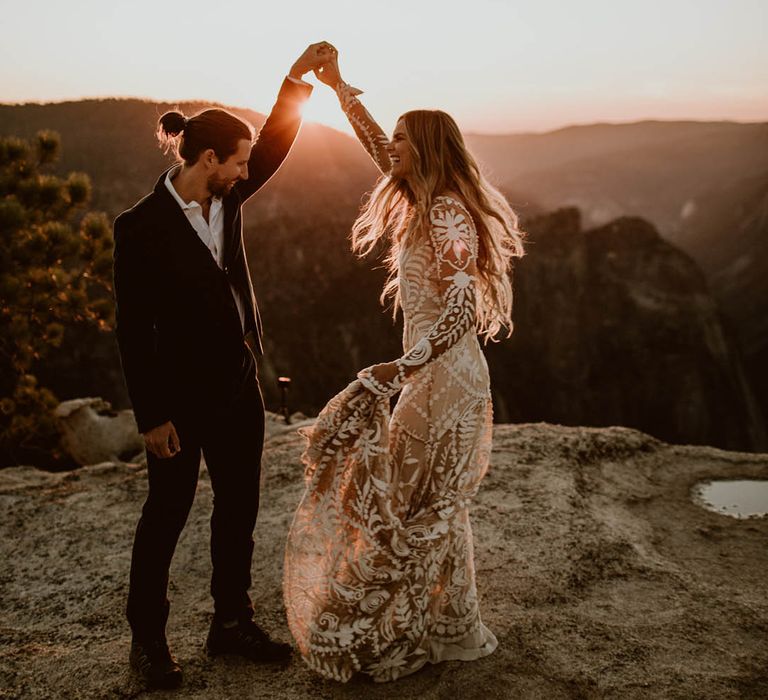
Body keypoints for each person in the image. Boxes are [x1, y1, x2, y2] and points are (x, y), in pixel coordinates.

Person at [283, 51, 525, 682]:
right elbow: (372, 144)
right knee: (427, 501)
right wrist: (339, 90)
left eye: (399, 141)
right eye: (387, 139)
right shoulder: (422, 197)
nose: (387, 148)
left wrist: (401, 365)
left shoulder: (447, 214)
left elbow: (461, 312)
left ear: (424, 149)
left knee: (420, 504)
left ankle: (421, 626)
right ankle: (447, 624)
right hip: (433, 377)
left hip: (446, 379)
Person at [112, 42, 334, 690]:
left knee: (238, 509)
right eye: (234, 163)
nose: (245, 172)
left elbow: (269, 146)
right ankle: (148, 640)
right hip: (177, 402)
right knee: (167, 515)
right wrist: (151, 417)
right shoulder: (140, 227)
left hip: (238, 387)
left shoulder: (227, 198)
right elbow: (131, 328)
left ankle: (231, 622)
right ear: (207, 159)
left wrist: (295, 81)